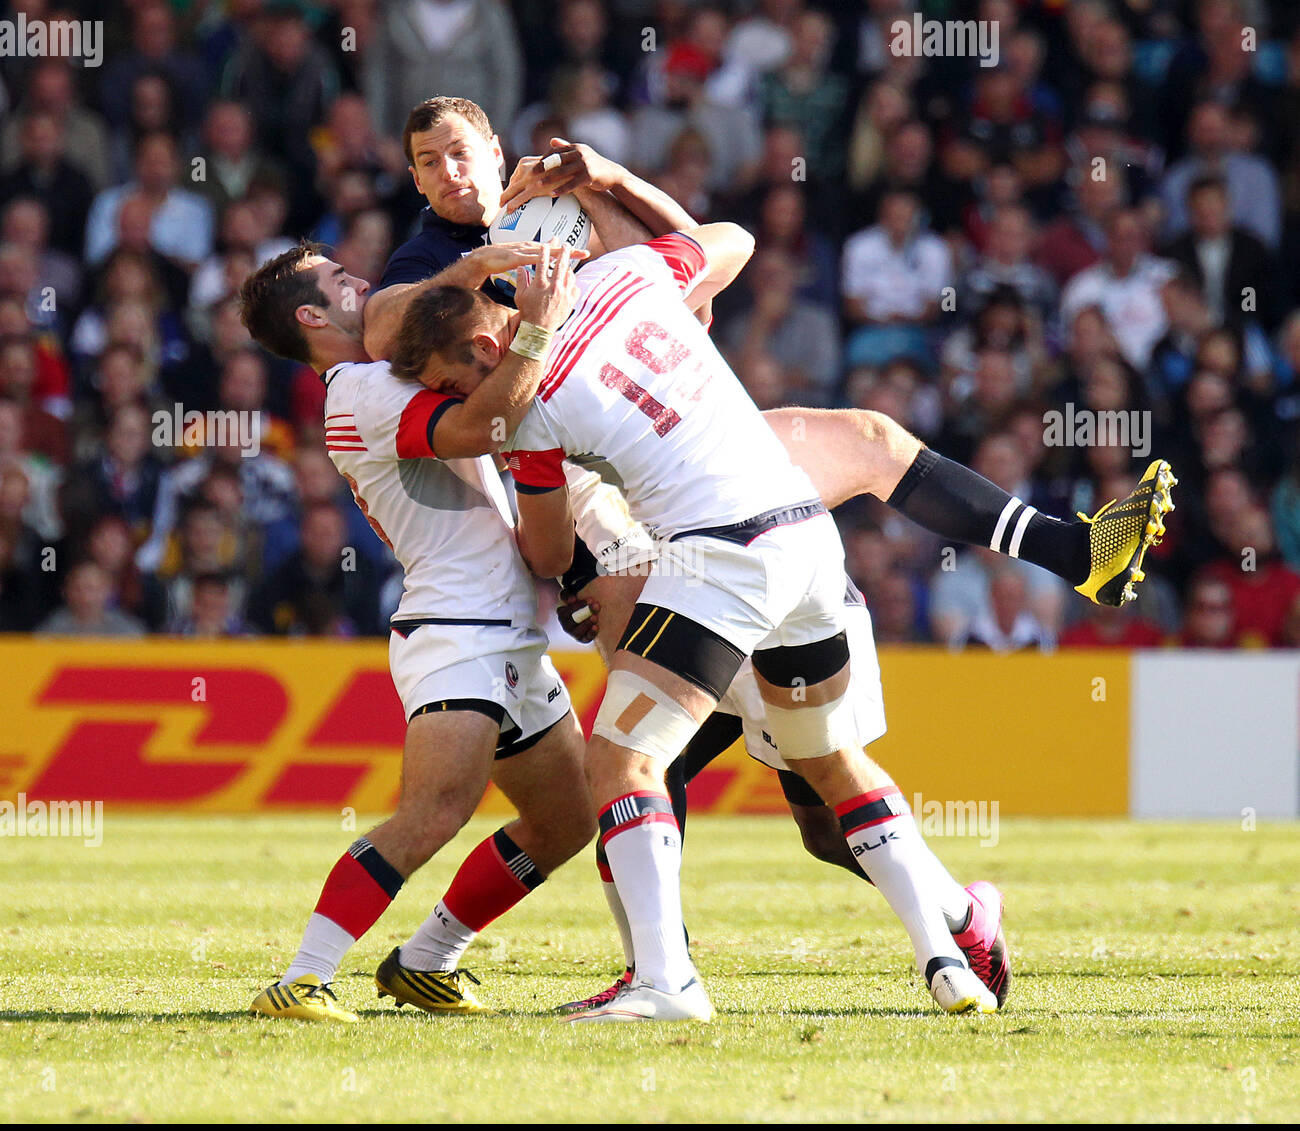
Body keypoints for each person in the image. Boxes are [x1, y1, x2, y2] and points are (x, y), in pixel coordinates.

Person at [391, 224, 1177, 1021]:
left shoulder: (523, 407)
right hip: (798, 538)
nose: (459, 406)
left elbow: (548, 546)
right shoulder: (625, 273)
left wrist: (550, 538)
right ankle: (950, 934)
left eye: (451, 386)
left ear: (488, 351)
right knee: (813, 786)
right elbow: (730, 239)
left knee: (631, 765)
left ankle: (664, 980)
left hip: (713, 561)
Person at [236, 237, 598, 1021]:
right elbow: (481, 427)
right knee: (435, 810)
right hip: (456, 628)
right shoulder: (361, 391)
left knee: (568, 820)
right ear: (313, 316)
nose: (361, 280)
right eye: (340, 279)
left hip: (502, 629)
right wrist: (536, 330)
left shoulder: (373, 379)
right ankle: (303, 977)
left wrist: (468, 274)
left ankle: (428, 958)